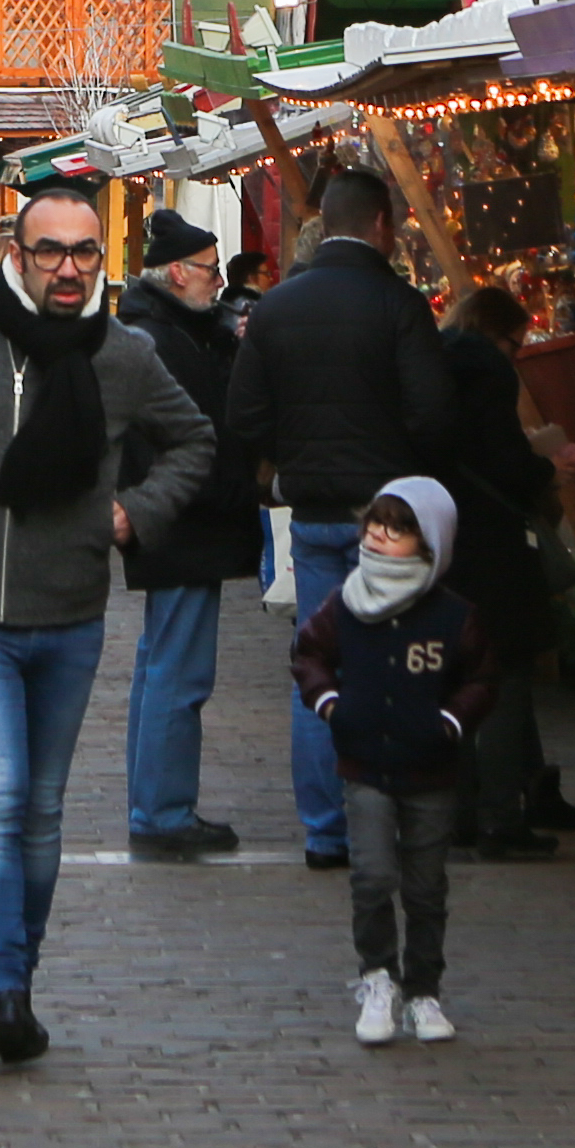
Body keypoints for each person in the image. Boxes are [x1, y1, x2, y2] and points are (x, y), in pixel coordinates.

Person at [0, 180, 211, 1065]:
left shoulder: (124, 354)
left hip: (71, 614)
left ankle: (23, 966)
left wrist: (137, 511)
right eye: (51, 250)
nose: (69, 268)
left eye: (86, 252)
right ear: (15, 256)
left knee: (45, 808)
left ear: (106, 259)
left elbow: (195, 441)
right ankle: (4, 989)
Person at [233, 158, 456, 870]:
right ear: (383, 225)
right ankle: (383, 820)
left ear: (324, 224)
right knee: (395, 665)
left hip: (313, 509)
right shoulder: (399, 306)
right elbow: (433, 414)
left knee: (318, 665)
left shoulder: (277, 306)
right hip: (386, 516)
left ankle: (325, 829)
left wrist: (281, 469)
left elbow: (243, 415)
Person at [290, 474, 491, 1041]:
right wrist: (331, 706)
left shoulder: (453, 616)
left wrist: (450, 722)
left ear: (430, 543)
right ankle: (378, 976)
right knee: (373, 876)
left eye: (397, 530)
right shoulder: (345, 604)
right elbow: (309, 654)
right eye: (375, 525)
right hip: (365, 766)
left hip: (430, 769)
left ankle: (424, 990)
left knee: (426, 886)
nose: (379, 537)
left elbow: (480, 678)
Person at [116, 205, 262, 861]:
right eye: (207, 271)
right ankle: (162, 811)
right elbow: (173, 443)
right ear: (177, 273)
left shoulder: (173, 331)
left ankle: (157, 802)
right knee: (177, 672)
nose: (216, 281)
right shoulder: (157, 340)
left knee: (162, 667)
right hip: (182, 525)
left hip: (178, 523)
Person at [428, 282, 565, 856]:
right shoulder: (487, 372)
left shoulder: (434, 362)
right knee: (504, 675)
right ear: (497, 334)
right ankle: (499, 818)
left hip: (446, 538)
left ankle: (457, 813)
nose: (518, 354)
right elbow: (505, 460)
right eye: (518, 344)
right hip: (492, 542)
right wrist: (545, 466)